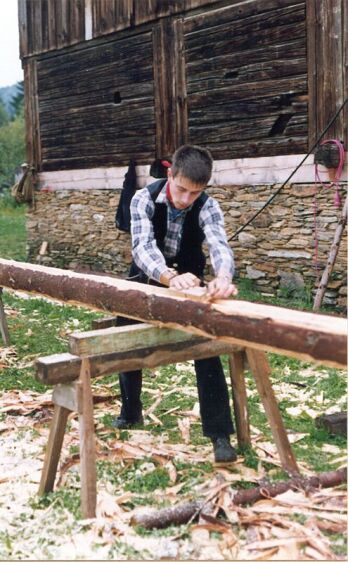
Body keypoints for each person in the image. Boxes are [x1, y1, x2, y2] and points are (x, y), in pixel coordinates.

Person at [114, 144, 238, 463]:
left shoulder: (209, 206)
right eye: (181, 189)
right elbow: (142, 247)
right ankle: (130, 411)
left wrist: (223, 276)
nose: (186, 199)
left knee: (205, 347)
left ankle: (219, 434)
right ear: (170, 174)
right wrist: (169, 277)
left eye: (195, 194)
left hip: (190, 280)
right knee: (124, 337)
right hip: (146, 276)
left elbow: (219, 246)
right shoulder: (143, 198)